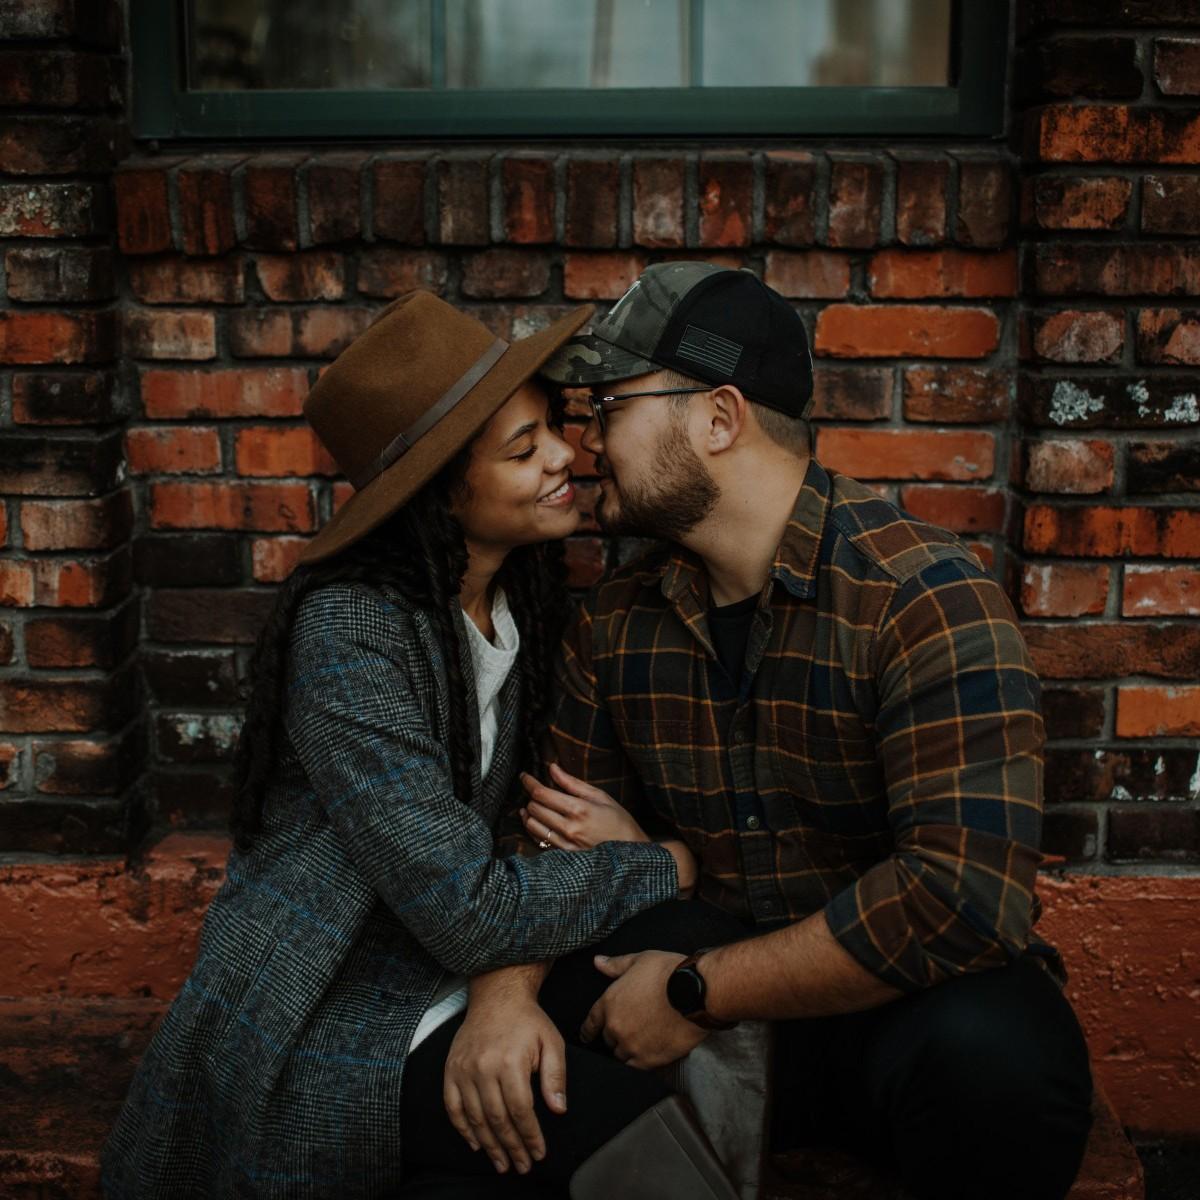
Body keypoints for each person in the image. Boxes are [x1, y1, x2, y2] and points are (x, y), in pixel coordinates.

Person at [442, 263, 1096, 1200]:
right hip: (708, 1012)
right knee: (535, 1032)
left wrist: (696, 989)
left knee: (1000, 1056)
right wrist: (500, 1006)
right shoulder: (620, 616)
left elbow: (960, 897)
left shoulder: (924, 599)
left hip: (883, 1012)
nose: (586, 443)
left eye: (608, 406)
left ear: (717, 418)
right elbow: (546, 839)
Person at [100, 292, 737, 1200]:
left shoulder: (524, 600)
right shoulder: (351, 632)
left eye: (552, 427)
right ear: (443, 492)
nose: (567, 456)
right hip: (336, 1008)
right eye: (524, 450)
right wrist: (660, 861)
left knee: (696, 949)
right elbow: (467, 907)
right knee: (625, 1140)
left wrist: (508, 988)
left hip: (460, 963)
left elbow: (523, 841)